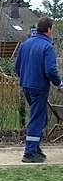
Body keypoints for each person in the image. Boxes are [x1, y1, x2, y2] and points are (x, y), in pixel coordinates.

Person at [14, 16, 63, 163]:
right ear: (48, 29)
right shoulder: (47, 47)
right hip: (39, 86)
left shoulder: (26, 44)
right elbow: (50, 70)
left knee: (41, 117)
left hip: (26, 85)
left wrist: (25, 78)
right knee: (37, 118)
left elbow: (17, 67)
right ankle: (30, 152)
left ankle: (35, 147)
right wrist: (59, 83)